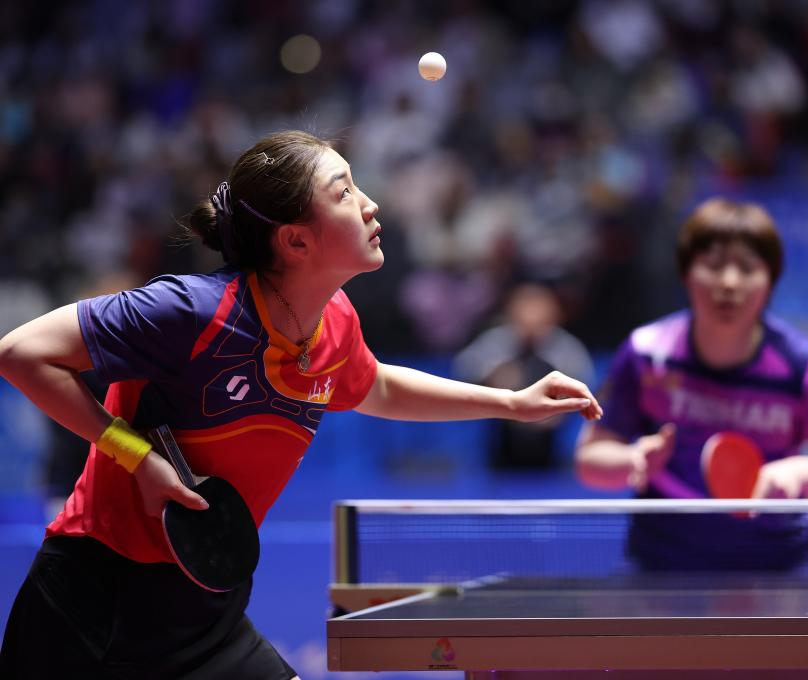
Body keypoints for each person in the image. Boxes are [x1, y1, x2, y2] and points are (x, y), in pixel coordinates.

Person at [0, 130, 602, 679]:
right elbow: (22, 354)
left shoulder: (333, 322)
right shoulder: (191, 312)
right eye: (345, 193)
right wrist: (135, 457)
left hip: (207, 608)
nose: (371, 205)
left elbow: (376, 387)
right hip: (96, 604)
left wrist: (512, 401)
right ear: (295, 240)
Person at [575, 197, 808, 571]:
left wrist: (798, 472)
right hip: (661, 568)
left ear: (770, 281)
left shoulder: (805, 364)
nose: (729, 282)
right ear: (686, 273)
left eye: (747, 268)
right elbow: (590, 459)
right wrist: (633, 460)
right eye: (713, 266)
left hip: (778, 568)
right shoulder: (646, 354)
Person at [454, 282, 595, 469]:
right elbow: (464, 373)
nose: (531, 315)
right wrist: (492, 380)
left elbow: (585, 388)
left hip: (550, 445)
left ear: (554, 313)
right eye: (525, 307)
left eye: (538, 307)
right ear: (511, 311)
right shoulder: (495, 342)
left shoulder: (566, 348)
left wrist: (561, 404)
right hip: (501, 443)